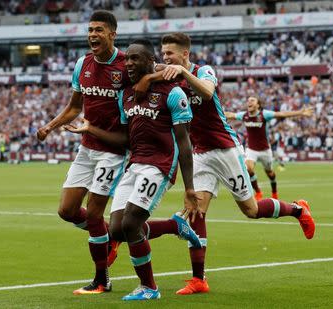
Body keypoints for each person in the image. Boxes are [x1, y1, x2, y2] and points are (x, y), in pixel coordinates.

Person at [133, 32, 315, 295]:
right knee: (196, 212)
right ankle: (199, 279)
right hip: (200, 153)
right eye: (163, 53)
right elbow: (147, 73)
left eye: (170, 53)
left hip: (226, 149)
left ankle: (298, 210)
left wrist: (182, 73)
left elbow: (206, 93)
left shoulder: (203, 70)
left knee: (250, 210)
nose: (165, 58)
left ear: (185, 54)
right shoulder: (166, 73)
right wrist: (152, 75)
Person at [65, 39, 200, 300]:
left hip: (159, 165)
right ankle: (175, 226)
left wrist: (189, 187)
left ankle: (149, 288)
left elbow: (184, 143)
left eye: (135, 59)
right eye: (127, 59)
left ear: (151, 62)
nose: (129, 63)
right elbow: (125, 140)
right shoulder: (125, 95)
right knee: (117, 230)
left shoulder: (173, 92)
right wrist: (90, 129)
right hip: (135, 164)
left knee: (130, 223)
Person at [36, 11, 130, 295]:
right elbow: (75, 107)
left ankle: (102, 280)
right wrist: (50, 126)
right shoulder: (83, 63)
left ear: (112, 33)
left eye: (99, 30)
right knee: (66, 210)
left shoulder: (126, 66)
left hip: (113, 151)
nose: (92, 35)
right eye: (90, 30)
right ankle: (108, 235)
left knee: (93, 215)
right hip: (87, 148)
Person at [225, 97, 313, 200]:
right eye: (248, 100)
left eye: (252, 100)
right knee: (248, 168)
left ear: (258, 105)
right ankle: (258, 192)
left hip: (265, 150)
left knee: (270, 173)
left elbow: (281, 114)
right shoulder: (244, 115)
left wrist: (300, 112)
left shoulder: (264, 114)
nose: (249, 102)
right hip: (251, 149)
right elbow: (230, 115)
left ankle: (274, 192)